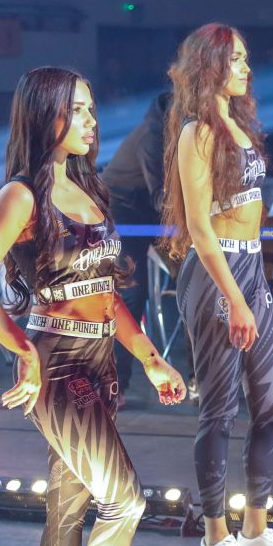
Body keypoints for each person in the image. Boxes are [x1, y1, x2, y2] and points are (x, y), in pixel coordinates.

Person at [0, 67, 186, 546]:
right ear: (43, 114)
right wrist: (22, 350)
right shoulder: (21, 196)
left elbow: (106, 294)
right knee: (125, 500)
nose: (90, 121)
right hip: (58, 365)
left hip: (102, 361)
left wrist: (150, 358)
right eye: (76, 109)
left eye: (91, 109)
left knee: (68, 503)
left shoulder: (89, 189)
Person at [161, 23, 273, 546]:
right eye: (237, 59)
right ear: (211, 66)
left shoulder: (237, 124)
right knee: (220, 409)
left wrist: (252, 287)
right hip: (215, 272)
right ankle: (213, 536)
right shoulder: (196, 133)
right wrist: (236, 298)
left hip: (250, 268)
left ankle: (255, 529)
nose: (247, 68)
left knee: (271, 405)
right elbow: (200, 229)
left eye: (247, 59)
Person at [102, 91, 170, 399]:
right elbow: (160, 194)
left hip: (151, 215)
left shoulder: (187, 133)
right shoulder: (151, 136)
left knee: (197, 280)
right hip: (121, 212)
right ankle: (116, 384)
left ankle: (199, 378)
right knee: (131, 291)